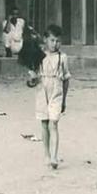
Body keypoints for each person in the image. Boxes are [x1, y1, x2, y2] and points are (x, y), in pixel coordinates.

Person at [26, 24, 71, 170]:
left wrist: (64, 99)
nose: (55, 44)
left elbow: (66, 79)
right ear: (45, 40)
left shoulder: (62, 58)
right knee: (44, 124)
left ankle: (54, 156)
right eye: (52, 40)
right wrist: (31, 78)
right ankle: (46, 154)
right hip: (41, 90)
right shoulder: (39, 55)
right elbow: (31, 77)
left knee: (54, 123)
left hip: (56, 92)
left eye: (58, 41)